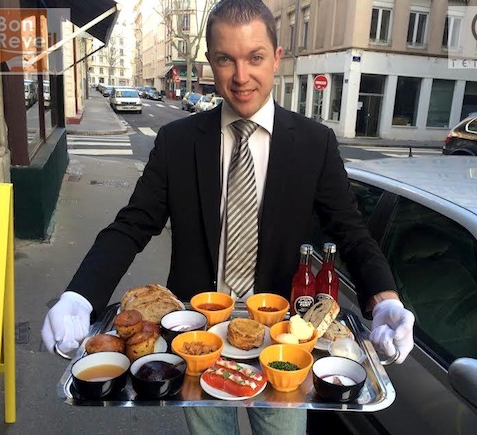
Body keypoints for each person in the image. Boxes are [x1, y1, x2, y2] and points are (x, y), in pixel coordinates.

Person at [41, 0, 415, 433]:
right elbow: (133, 224)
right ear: (210, 62)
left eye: (255, 57)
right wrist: (79, 296)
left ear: (276, 58)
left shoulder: (315, 144)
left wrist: (384, 299)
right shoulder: (177, 142)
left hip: (281, 341)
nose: (241, 77)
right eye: (225, 59)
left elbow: (350, 232)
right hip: (197, 336)